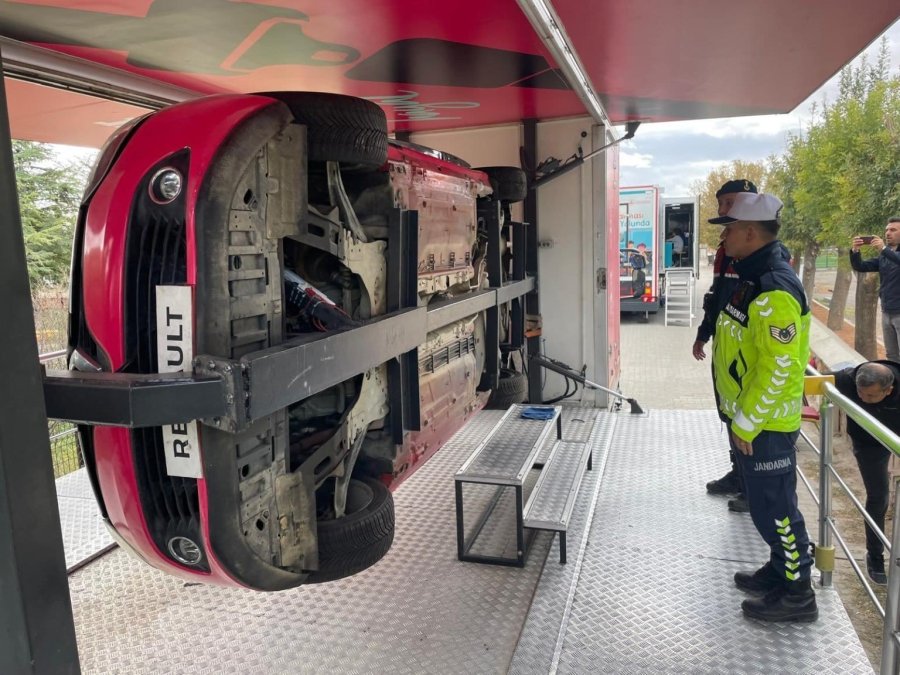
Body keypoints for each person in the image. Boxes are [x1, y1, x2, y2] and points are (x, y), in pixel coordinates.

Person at [709, 191, 817, 622]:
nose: (724, 239)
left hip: (765, 424)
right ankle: (778, 571)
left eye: (729, 230)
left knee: (777, 511)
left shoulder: (774, 286)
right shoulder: (750, 275)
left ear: (750, 231)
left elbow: (780, 368)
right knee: (765, 507)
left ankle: (798, 593)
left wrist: (748, 423)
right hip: (751, 420)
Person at [697, 179, 758, 513]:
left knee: (748, 417)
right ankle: (740, 476)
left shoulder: (764, 262)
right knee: (729, 413)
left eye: (730, 203)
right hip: (726, 348)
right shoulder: (726, 252)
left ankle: (755, 487)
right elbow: (716, 297)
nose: (723, 211)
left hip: (748, 354)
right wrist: (704, 333)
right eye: (721, 204)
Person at [831, 360, 900, 585]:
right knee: (878, 498)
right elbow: (809, 377)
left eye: (870, 396)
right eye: (860, 393)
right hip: (868, 442)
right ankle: (875, 555)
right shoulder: (848, 379)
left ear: (889, 390)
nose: (863, 399)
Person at [850, 218, 900, 362]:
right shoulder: (885, 256)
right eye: (886, 230)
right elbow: (860, 266)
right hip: (887, 312)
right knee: (891, 356)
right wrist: (855, 250)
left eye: (893, 230)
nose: (888, 233)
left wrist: (883, 249)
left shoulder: (887, 253)